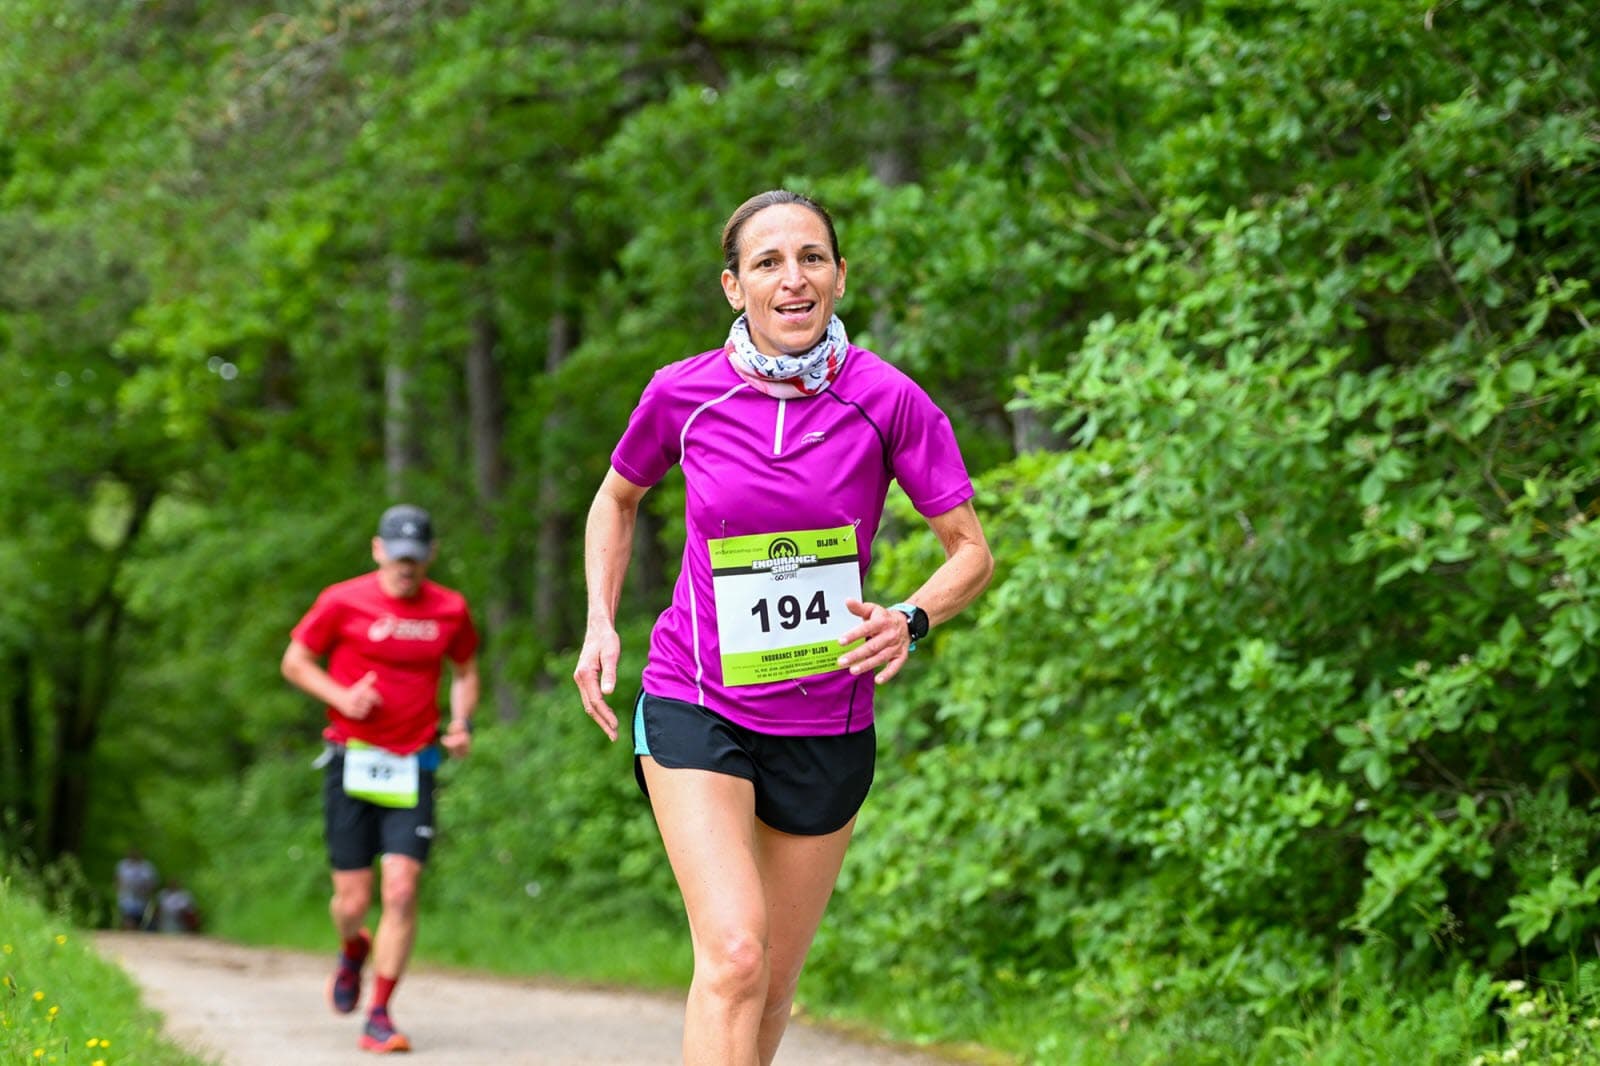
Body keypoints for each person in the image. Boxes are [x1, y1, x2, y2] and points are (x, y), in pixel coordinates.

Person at [573, 189, 993, 1065]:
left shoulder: (889, 399)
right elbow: (617, 498)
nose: (792, 278)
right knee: (732, 956)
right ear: (735, 287)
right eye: (767, 262)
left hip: (826, 721)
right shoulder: (682, 393)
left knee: (768, 992)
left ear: (840, 276)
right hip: (697, 699)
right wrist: (598, 623)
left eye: (811, 258)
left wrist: (911, 618)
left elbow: (970, 554)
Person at [281, 504, 480, 1055]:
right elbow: (295, 660)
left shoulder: (450, 609)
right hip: (352, 758)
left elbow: (465, 671)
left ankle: (380, 1013)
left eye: (415, 560)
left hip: (414, 763)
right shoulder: (342, 600)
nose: (406, 569)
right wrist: (342, 698)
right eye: (397, 558)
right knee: (351, 899)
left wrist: (461, 722)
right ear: (377, 550)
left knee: (401, 888)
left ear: (430, 557)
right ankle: (352, 946)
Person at [114, 847, 160, 931]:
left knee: (139, 920)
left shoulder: (147, 867)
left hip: (142, 899)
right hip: (126, 897)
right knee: (128, 917)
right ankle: (128, 932)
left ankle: (134, 934)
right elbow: (118, 880)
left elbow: (153, 883)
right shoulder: (123, 865)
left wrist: (149, 893)